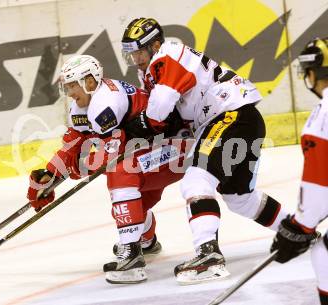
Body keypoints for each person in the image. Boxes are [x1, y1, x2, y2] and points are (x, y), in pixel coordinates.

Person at [120, 17, 290, 284]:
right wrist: (157, 125)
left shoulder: (168, 55)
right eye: (131, 55)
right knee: (239, 198)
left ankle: (208, 254)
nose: (136, 60)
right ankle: (295, 230)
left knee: (196, 179)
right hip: (240, 120)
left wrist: (140, 126)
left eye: (139, 52)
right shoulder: (155, 69)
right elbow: (170, 117)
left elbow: (158, 111)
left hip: (229, 117)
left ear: (155, 45)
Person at [27, 54, 191, 284]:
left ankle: (132, 257)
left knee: (121, 173)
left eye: (74, 86)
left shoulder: (106, 102)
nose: (71, 93)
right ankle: (146, 241)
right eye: (67, 87)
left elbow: (109, 158)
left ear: (90, 82)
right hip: (152, 149)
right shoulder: (82, 106)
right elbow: (74, 144)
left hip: (178, 147)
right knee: (128, 207)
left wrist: (71, 171)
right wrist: (50, 175)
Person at [270, 37, 328, 305]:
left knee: (325, 252)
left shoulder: (322, 119)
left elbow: (319, 185)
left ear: (314, 73)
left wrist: (299, 226)